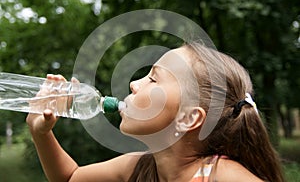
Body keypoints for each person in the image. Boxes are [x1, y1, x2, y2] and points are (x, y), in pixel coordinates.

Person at [26, 42, 285, 182]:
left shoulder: (222, 176)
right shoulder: (140, 167)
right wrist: (41, 133)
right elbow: (70, 178)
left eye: (152, 79)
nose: (133, 84)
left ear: (188, 118)